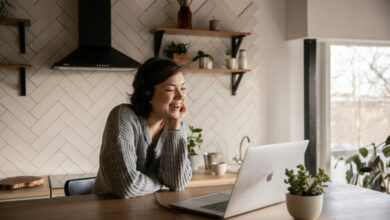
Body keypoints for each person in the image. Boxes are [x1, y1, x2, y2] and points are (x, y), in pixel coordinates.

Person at [93, 58, 192, 198]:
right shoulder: (123, 117)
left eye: (183, 88)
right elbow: (126, 185)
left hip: (150, 209)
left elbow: (177, 183)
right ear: (148, 94)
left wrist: (175, 126)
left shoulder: (176, 125)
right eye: (170, 89)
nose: (181, 96)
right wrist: (159, 182)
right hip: (110, 210)